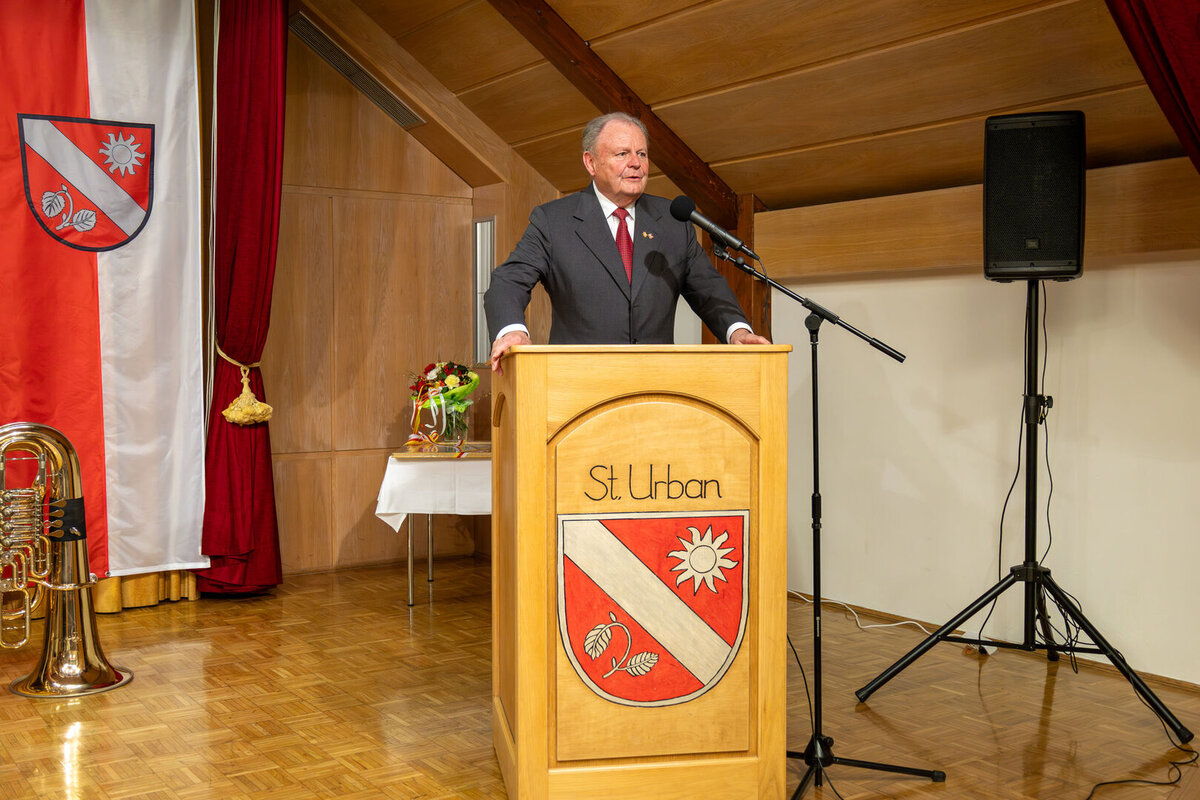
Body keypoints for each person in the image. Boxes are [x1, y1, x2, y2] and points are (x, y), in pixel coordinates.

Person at [484, 112, 770, 373]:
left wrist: (737, 331)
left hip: (657, 380)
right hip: (579, 381)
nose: (636, 163)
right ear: (591, 162)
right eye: (622, 153)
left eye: (642, 154)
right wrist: (513, 331)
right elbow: (509, 281)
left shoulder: (673, 221)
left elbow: (707, 289)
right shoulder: (554, 221)